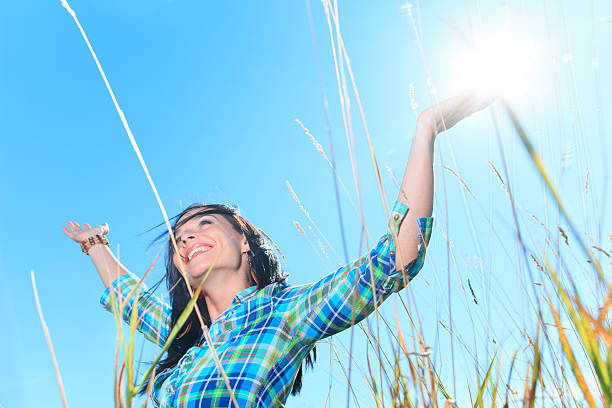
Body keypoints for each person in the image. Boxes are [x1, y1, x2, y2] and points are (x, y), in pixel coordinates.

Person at [63, 91, 492, 407]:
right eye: (179, 238)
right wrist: (95, 244)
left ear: (244, 242)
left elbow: (396, 260)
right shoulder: (185, 331)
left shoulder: (286, 313)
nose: (187, 238)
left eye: (203, 226)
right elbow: (130, 298)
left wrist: (426, 127)